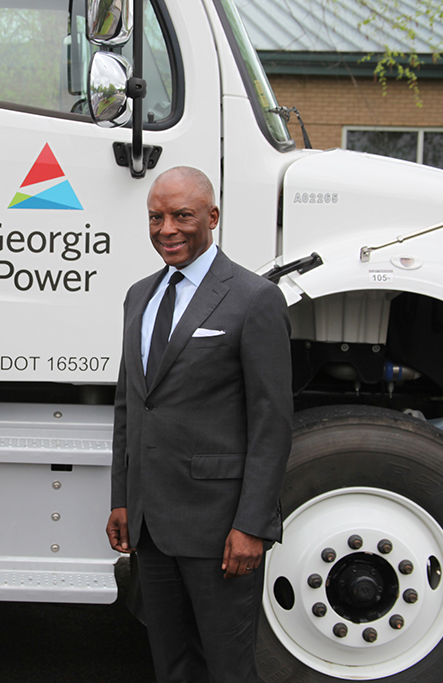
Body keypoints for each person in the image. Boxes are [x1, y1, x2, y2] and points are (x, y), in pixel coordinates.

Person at [106, 166, 292, 682]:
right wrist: (123, 498)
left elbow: (272, 424)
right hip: (152, 527)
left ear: (212, 217)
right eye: (156, 217)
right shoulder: (139, 296)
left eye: (182, 215)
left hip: (219, 529)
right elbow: (131, 405)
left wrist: (252, 526)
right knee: (171, 666)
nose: (167, 229)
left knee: (227, 669)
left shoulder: (254, 299)